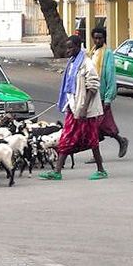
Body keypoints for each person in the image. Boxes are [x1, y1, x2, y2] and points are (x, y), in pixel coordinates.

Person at [39, 35, 107, 181]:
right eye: (67, 47)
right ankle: (58, 171)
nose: (68, 50)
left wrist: (84, 108)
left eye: (71, 47)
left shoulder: (86, 63)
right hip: (73, 106)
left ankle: (100, 170)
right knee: (67, 137)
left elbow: (93, 86)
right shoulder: (72, 62)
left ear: (78, 46)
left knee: (91, 140)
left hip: (85, 110)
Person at [87, 27, 128, 160]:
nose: (98, 40)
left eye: (100, 38)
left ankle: (99, 153)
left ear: (104, 38)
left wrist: (108, 98)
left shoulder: (108, 53)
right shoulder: (92, 52)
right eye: (96, 38)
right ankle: (119, 141)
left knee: (98, 125)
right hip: (92, 95)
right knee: (97, 126)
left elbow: (110, 76)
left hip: (103, 95)